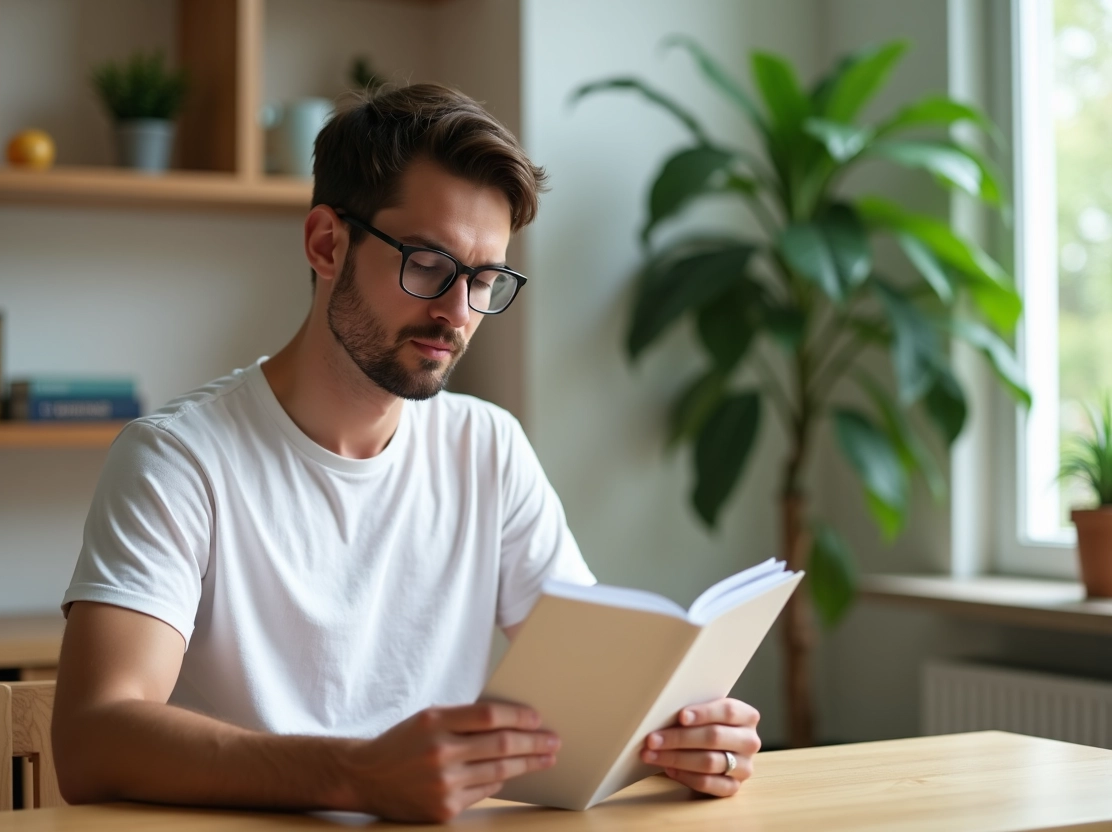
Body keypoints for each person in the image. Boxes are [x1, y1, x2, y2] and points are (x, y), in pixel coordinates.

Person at [51, 83, 762, 823]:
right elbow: (93, 739)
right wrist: (353, 775)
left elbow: (597, 683)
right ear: (327, 243)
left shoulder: (488, 448)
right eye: (428, 264)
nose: (457, 312)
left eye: (486, 279)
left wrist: (685, 734)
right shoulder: (177, 461)